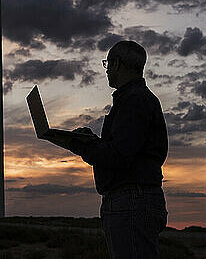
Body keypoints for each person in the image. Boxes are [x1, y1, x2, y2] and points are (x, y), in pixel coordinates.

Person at [69, 40, 169, 258]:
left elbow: (118, 156)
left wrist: (82, 145)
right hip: (137, 199)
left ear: (116, 64)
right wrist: (92, 142)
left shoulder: (134, 100)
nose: (106, 71)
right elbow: (126, 148)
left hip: (131, 200)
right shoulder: (139, 99)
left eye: (107, 64)